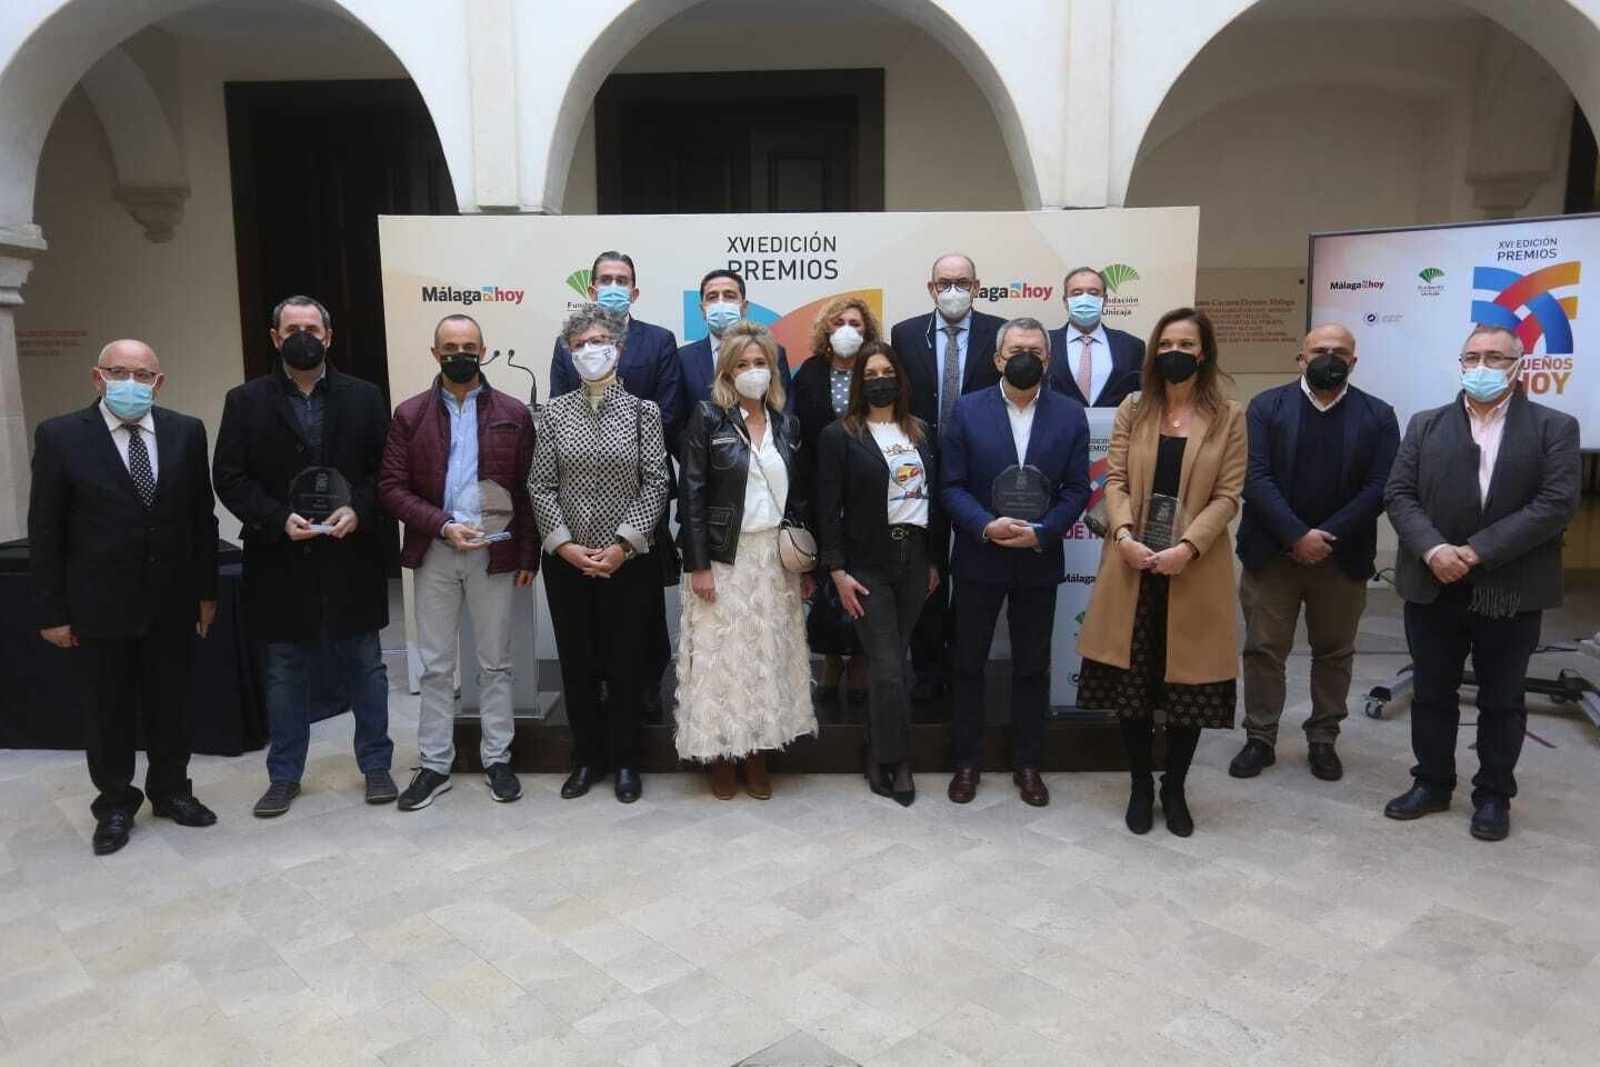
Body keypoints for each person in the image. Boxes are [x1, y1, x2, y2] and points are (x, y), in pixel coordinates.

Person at [1382, 324, 1580, 842]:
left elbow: (1556, 503)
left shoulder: (1554, 427)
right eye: (1472, 356)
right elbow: (1399, 495)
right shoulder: (1425, 425)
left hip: (1509, 587)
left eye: (1495, 356)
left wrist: (1478, 550)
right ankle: (1432, 783)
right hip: (1433, 581)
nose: (1482, 366)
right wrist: (1434, 549)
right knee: (1431, 692)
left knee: (1502, 698)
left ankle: (1493, 794)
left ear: (1519, 364)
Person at [28, 340, 219, 855]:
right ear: (97, 377)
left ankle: (172, 792)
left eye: (142, 375)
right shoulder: (61, 436)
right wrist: (52, 611)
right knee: (108, 712)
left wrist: (206, 592)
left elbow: (202, 519)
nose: (130, 382)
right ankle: (114, 804)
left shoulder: (185, 432)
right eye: (119, 372)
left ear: (159, 383)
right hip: (99, 604)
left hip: (172, 602)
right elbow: (45, 532)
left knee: (171, 706)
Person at [214, 295, 397, 817]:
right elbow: (229, 476)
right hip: (280, 556)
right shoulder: (244, 401)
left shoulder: (364, 397)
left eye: (312, 328)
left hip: (350, 552)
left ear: (329, 336)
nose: (303, 336)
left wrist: (359, 511)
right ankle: (285, 775)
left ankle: (377, 765)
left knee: (366, 664)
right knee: (284, 669)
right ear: (275, 337)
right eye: (292, 328)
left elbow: (382, 471)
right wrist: (275, 518)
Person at [1076, 307, 1246, 838]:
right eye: (1167, 342)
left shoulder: (1230, 415)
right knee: (1133, 687)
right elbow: (1116, 480)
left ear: (1203, 352)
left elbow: (1229, 495)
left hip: (1191, 570)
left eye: (1187, 343)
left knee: (1187, 690)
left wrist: (1188, 548)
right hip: (1133, 566)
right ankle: (1139, 785)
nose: (1176, 351)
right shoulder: (1134, 408)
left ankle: (1174, 786)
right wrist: (1123, 536)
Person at [379, 313, 538, 810]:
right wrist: (442, 523)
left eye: (469, 344)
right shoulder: (409, 415)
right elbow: (390, 488)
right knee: (435, 666)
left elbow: (530, 490)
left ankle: (497, 759)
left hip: (496, 553)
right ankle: (433, 765)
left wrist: (529, 553)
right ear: (435, 354)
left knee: (495, 662)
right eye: (450, 346)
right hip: (436, 550)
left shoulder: (514, 411)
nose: (460, 353)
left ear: (484, 349)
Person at [1231, 324, 1398, 782]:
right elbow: (1254, 478)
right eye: (1320, 350)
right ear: (1300, 358)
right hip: (1272, 556)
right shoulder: (1267, 407)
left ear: (1354, 361)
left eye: (1339, 352)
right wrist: (1295, 535)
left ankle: (1323, 739)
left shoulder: (1378, 415)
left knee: (1335, 652)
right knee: (1264, 649)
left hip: (1342, 560)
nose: (1330, 357)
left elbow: (1381, 486)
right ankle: (1260, 738)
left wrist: (1324, 536)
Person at [942, 317, 1090, 808]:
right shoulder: (966, 410)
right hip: (979, 554)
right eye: (1015, 349)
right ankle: (967, 762)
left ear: (1048, 361)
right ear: (998, 358)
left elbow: (1075, 489)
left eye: (1035, 350)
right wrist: (986, 525)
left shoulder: (1070, 415)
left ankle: (1028, 763)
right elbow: (952, 486)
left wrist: (1043, 532)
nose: (1025, 357)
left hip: (1038, 559)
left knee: (1032, 666)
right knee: (968, 664)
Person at [530, 305, 670, 804]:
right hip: (567, 562)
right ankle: (587, 757)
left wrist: (622, 545)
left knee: (626, 661)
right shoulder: (553, 414)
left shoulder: (644, 412)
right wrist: (564, 545)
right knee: (579, 662)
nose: (589, 351)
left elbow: (657, 482)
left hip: (626, 561)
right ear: (569, 355)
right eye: (579, 344)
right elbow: (541, 484)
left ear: (618, 349)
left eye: (598, 342)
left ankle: (628, 760)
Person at [676, 322, 816, 798]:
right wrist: (698, 564)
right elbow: (690, 493)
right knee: (722, 664)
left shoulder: (788, 424)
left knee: (766, 661)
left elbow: (798, 497)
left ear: (773, 371)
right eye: (743, 364)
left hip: (774, 561)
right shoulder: (707, 418)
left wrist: (803, 565)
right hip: (723, 558)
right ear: (726, 371)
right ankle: (721, 756)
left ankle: (757, 754)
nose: (753, 372)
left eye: (761, 364)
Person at [549, 251, 681, 720]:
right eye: (604, 278)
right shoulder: (568, 345)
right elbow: (559, 411)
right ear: (591, 288)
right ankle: (599, 700)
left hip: (637, 499)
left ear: (635, 289)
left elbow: (668, 414)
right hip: (579, 508)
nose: (612, 285)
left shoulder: (659, 341)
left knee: (641, 617)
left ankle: (645, 690)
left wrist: (619, 435)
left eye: (621, 279)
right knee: (585, 631)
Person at [817, 341, 939, 806]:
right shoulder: (840, 435)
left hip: (915, 563)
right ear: (858, 384)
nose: (879, 380)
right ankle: (895, 760)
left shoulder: (922, 432)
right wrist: (837, 571)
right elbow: (828, 510)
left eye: (887, 371)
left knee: (895, 666)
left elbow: (936, 503)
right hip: (867, 566)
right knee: (887, 671)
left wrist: (933, 563)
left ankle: (878, 744)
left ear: (900, 378)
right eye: (870, 375)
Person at [891, 253, 1003, 703]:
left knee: (975, 570)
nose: (952, 290)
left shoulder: (999, 332)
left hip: (982, 467)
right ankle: (929, 667)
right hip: (921, 466)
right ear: (930, 287)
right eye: (944, 282)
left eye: (961, 282)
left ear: (977, 287)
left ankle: (964, 662)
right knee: (926, 569)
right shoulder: (905, 333)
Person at [791, 295, 884, 705]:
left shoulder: (878, 371)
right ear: (827, 331)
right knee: (829, 574)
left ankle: (861, 658)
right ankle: (830, 657)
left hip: (870, 492)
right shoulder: (809, 372)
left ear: (868, 332)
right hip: (818, 488)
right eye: (840, 322)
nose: (848, 329)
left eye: (857, 323)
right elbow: (796, 433)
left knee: (864, 574)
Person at [679, 269, 794, 408]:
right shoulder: (684, 358)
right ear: (702, 309)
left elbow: (784, 407)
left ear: (744, 307)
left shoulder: (774, 352)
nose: (720, 303)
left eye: (729, 296)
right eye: (712, 297)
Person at [1047, 266, 1145, 408]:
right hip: (1059, 428)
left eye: (1093, 293)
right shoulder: (1045, 343)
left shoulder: (1132, 346)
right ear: (1065, 301)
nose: (1085, 298)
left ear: (1104, 300)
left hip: (1115, 429)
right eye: (1076, 293)